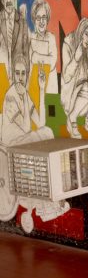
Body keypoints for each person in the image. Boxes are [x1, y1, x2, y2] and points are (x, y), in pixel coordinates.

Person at [0, 52, 62, 234]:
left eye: (23, 73)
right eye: (17, 73)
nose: (20, 77)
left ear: (27, 75)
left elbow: (41, 122)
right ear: (13, 74)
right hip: (11, 141)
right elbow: (24, 127)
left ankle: (46, 200)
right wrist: (36, 134)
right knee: (42, 136)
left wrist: (41, 89)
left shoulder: (25, 94)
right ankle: (43, 203)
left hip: (24, 141)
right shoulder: (11, 96)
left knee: (47, 131)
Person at [61, 17, 88, 140]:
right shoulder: (68, 43)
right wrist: (76, 58)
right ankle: (71, 118)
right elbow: (66, 76)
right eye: (86, 34)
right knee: (87, 87)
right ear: (80, 32)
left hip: (84, 98)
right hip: (70, 94)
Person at [29, 0, 57, 96]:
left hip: (50, 86)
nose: (41, 21)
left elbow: (52, 62)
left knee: (51, 105)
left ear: (47, 18)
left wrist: (36, 56)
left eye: (44, 17)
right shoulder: (31, 37)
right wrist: (46, 59)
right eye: (38, 18)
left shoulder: (51, 38)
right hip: (34, 85)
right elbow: (30, 60)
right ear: (34, 20)